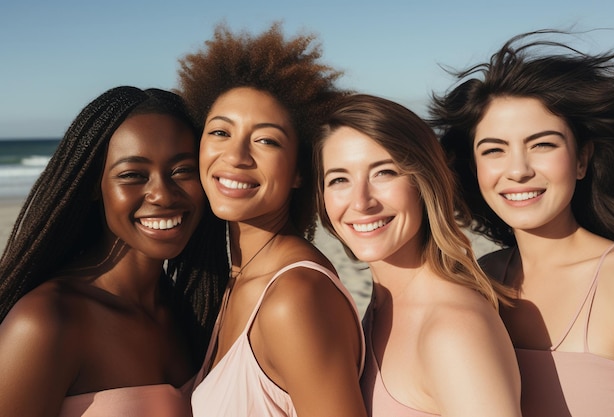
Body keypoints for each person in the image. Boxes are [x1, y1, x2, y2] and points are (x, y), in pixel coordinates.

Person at [429, 30, 614, 417]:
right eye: (494, 150)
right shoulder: (481, 280)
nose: (518, 170)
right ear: (474, 167)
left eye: (542, 144)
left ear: (582, 159)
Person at [0, 86, 229, 417]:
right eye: (133, 175)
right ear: (96, 185)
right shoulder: (47, 320)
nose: (162, 195)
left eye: (182, 170)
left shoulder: (192, 309)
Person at [176, 23, 367, 416]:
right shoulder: (236, 274)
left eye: (266, 140)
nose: (236, 155)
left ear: (299, 170)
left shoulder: (294, 297)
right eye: (220, 132)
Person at [313, 93, 521, 417]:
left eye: (384, 172)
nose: (361, 201)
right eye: (339, 179)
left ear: (424, 182)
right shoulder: (381, 307)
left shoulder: (453, 329)